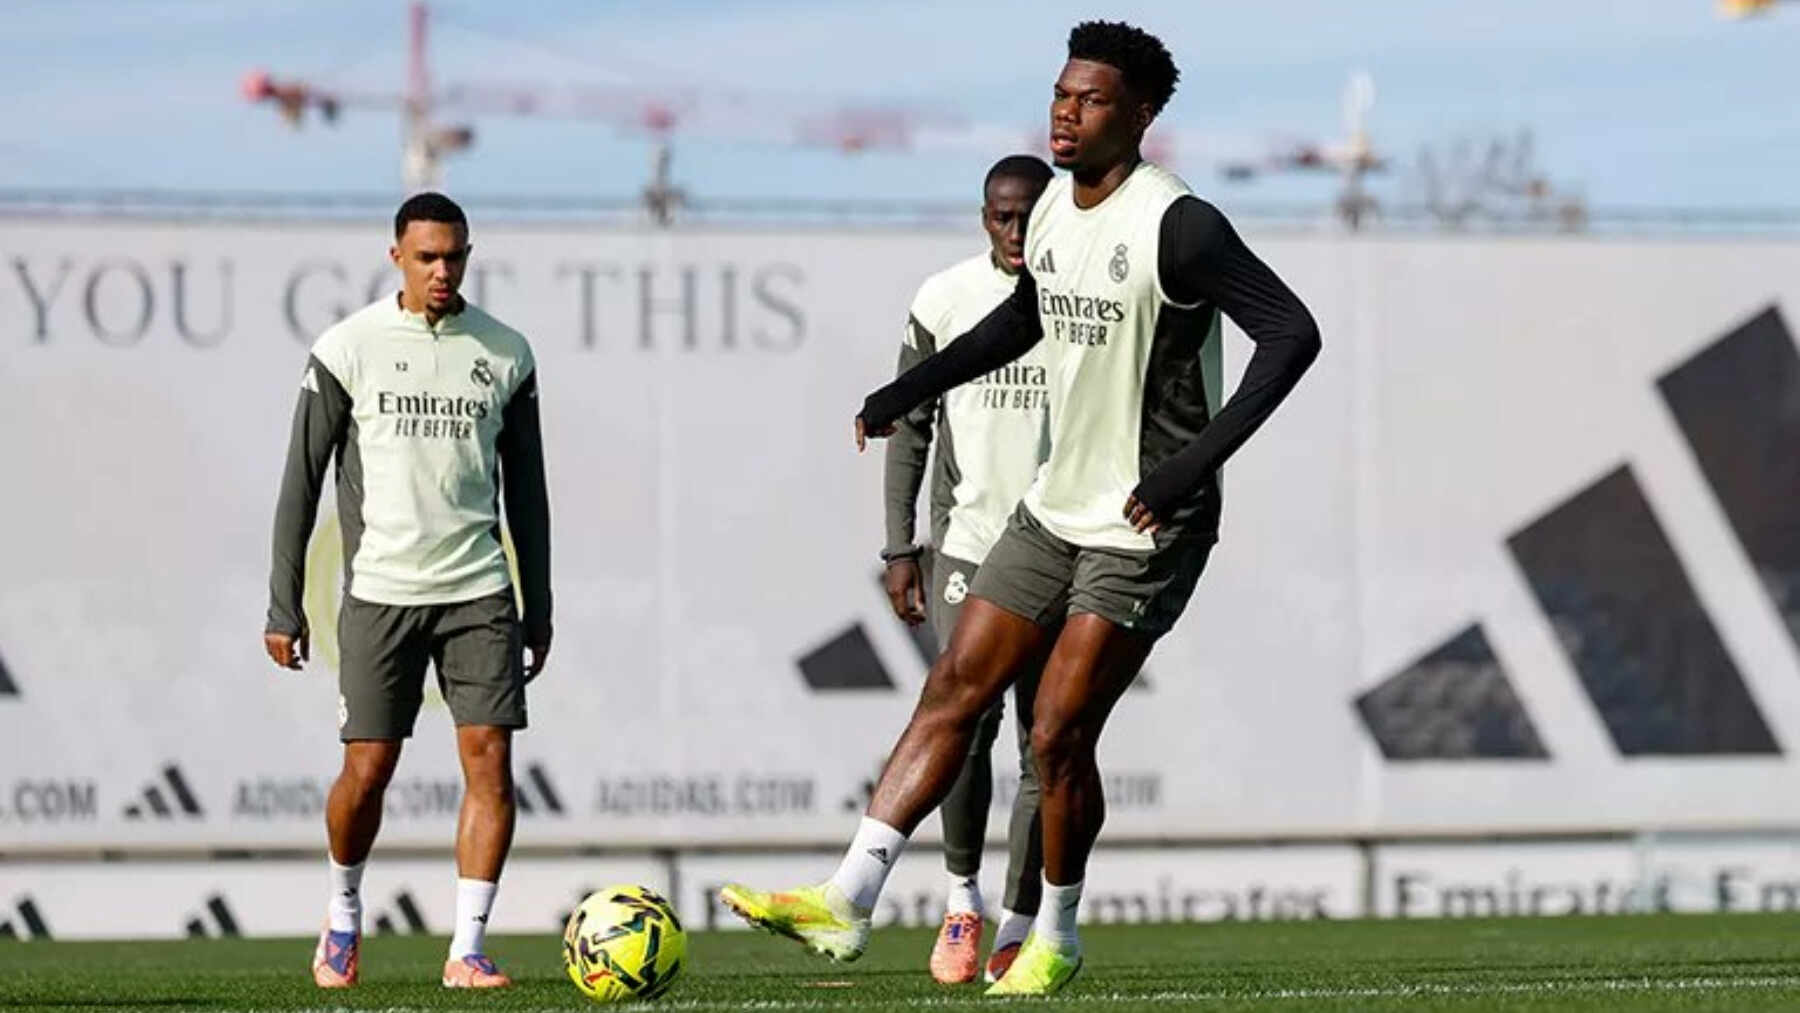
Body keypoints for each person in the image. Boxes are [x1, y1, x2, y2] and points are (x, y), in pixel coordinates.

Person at [720, 20, 1320, 996]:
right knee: (954, 684)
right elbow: (1022, 320)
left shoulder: (1179, 223)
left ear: (1141, 116)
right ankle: (848, 897)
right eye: (1059, 95)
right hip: (1054, 507)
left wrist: (1188, 471)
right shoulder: (1048, 214)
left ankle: (1057, 927)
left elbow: (1292, 333)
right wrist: (905, 391)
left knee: (1054, 732)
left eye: (1088, 101)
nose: (1065, 114)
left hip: (1145, 522)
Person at [264, 192, 552, 990]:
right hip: (381, 592)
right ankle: (345, 911)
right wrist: (283, 603)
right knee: (369, 768)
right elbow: (300, 485)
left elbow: (527, 493)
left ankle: (467, 946)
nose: (442, 270)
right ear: (397, 255)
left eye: (454, 255)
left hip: (480, 590)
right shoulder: (348, 347)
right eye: (427, 256)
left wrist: (541, 605)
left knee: (490, 763)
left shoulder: (505, 352)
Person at [882, 154, 1053, 985]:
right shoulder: (943, 299)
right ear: (984, 215)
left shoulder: (1085, 302)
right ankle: (962, 902)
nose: (1015, 231)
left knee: (1047, 743)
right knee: (965, 727)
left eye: (1028, 215)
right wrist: (898, 545)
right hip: (968, 549)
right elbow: (911, 425)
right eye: (1001, 216)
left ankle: (1020, 927)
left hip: (1066, 547)